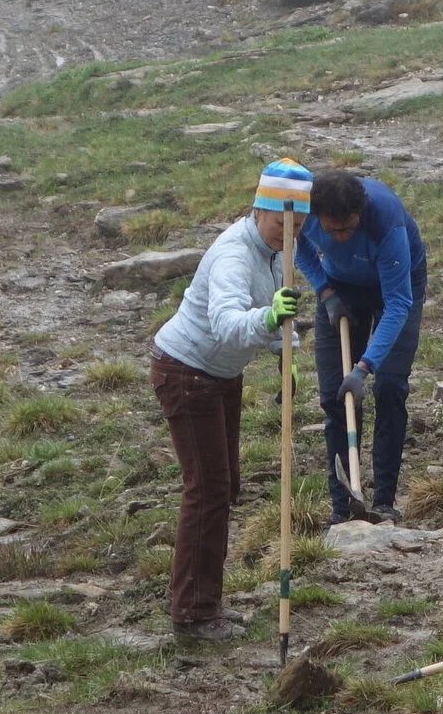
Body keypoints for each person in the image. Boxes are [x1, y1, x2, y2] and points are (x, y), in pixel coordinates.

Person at [150, 158, 312, 642]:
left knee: (225, 487)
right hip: (187, 371)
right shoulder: (232, 256)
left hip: (221, 373)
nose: (289, 233)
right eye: (281, 223)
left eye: (298, 225)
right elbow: (227, 322)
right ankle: (193, 615)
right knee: (208, 491)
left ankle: (206, 601)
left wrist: (288, 353)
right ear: (258, 210)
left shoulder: (281, 247)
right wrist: (267, 320)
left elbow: (278, 314)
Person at [297, 170, 426, 524]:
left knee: (389, 386)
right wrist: (325, 292)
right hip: (340, 287)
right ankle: (342, 508)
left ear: (360, 212)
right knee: (334, 397)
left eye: (348, 228)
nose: (340, 236)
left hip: (398, 286)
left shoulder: (386, 221)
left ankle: (384, 501)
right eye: (332, 230)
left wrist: (364, 367)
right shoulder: (305, 213)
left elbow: (399, 303)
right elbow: (294, 245)